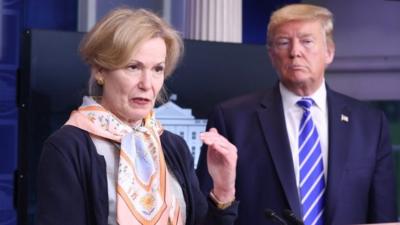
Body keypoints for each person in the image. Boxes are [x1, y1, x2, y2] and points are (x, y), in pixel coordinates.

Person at [196, 3, 397, 225]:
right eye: (283, 43)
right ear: (271, 55)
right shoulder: (232, 118)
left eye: (307, 41)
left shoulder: (369, 124)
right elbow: (206, 212)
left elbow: (383, 216)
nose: (295, 52)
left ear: (329, 51)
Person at [36, 8, 238, 225]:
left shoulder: (173, 146)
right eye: (133, 67)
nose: (147, 84)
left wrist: (223, 189)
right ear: (100, 71)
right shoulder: (68, 147)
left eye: (157, 69)